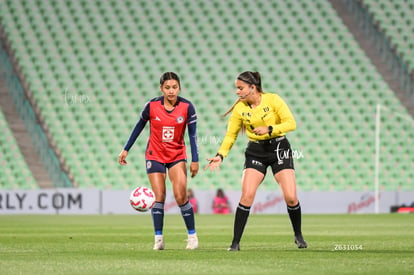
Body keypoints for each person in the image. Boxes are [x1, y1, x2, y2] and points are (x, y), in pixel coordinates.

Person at [206, 71, 307, 251]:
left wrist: (270, 129)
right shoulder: (240, 109)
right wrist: (220, 155)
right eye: (237, 88)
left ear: (253, 87)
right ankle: (235, 243)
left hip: (279, 149)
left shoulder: (273, 99)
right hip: (256, 151)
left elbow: (291, 123)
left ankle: (298, 235)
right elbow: (231, 135)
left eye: (240, 88)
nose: (237, 92)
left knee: (291, 197)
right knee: (246, 196)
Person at [119, 72, 199, 250]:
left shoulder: (187, 107)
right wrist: (126, 148)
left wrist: (195, 160)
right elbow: (139, 126)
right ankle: (159, 239)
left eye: (174, 87)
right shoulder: (152, 105)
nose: (171, 91)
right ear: (161, 88)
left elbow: (193, 135)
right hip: (155, 155)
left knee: (180, 196)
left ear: (179, 87)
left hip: (177, 156)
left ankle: (192, 236)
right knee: (159, 196)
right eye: (167, 87)